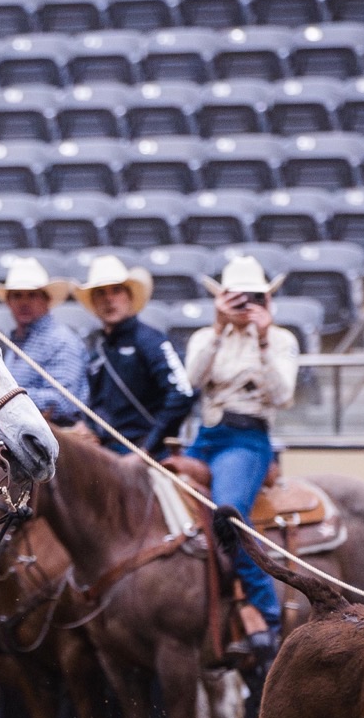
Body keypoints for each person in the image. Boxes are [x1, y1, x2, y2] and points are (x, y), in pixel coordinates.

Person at [184, 257, 299, 664]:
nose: (244, 304)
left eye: (253, 297)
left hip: (247, 439)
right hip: (205, 437)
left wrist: (264, 339)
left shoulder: (281, 339)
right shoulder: (205, 336)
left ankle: (265, 612)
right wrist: (217, 329)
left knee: (230, 512)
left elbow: (284, 395)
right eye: (236, 297)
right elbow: (190, 382)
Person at [74, 255, 193, 457]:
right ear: (93, 303)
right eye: (100, 293)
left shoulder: (151, 341)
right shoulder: (97, 351)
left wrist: (149, 446)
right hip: (106, 452)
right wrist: (88, 428)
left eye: (116, 291)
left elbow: (182, 393)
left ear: (129, 297)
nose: (108, 299)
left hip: (146, 450)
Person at [0, 257, 86, 425]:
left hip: (58, 434)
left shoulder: (61, 340)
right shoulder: (15, 340)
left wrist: (4, 396)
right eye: (17, 296)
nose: (24, 303)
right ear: (9, 302)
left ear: (46, 300)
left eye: (32, 295)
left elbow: (65, 402)